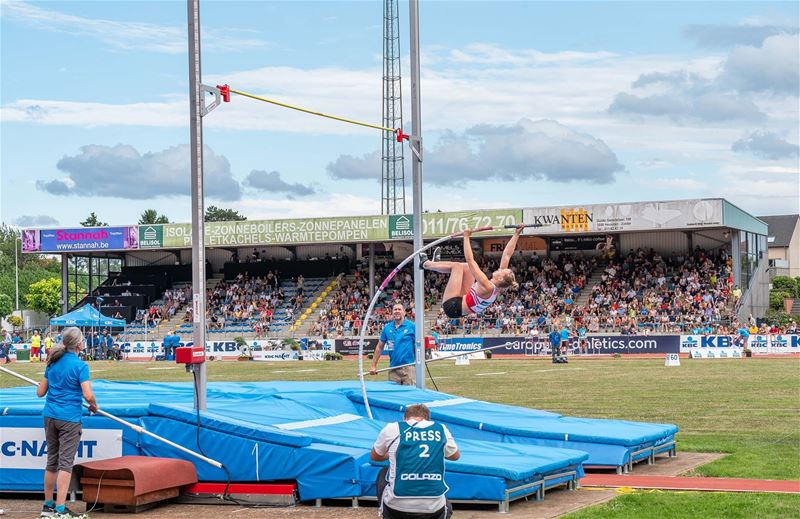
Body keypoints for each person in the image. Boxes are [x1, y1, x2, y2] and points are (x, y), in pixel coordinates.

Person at [36, 327, 98, 518]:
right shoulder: (80, 366)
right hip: (69, 418)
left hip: (50, 417)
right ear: (79, 344)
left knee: (51, 461)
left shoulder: (52, 362)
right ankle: (61, 509)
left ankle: (48, 505)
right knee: (65, 463)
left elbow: (40, 392)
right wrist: (94, 405)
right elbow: (87, 394)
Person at [371, 404, 460, 519]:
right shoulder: (441, 428)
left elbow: (375, 456)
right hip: (433, 509)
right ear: (428, 419)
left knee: (383, 473)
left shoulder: (392, 428)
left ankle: (384, 512)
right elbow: (455, 456)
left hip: (397, 508)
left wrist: (392, 454)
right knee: (442, 497)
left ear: (405, 418)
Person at [421, 225, 524, 319]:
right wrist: (516, 234)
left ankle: (426, 264)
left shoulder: (486, 285)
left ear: (500, 278)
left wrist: (466, 237)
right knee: (466, 267)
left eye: (502, 271)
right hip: (463, 301)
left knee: (457, 266)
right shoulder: (497, 284)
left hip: (452, 307)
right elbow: (507, 254)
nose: (499, 269)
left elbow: (470, 260)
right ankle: (436, 264)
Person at [370, 303, 416, 385]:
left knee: (410, 395)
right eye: (395, 309)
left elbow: (420, 344)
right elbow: (379, 348)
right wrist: (373, 366)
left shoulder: (412, 326)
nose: (397, 311)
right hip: (393, 369)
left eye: (399, 309)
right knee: (394, 396)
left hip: (409, 367)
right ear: (392, 312)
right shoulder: (387, 328)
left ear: (404, 313)